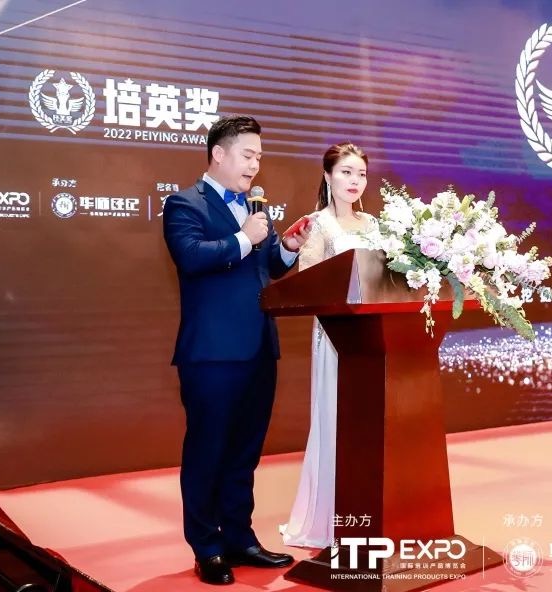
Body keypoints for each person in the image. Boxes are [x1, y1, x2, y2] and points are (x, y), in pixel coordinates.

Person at [162, 115, 311, 585]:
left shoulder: (253, 208)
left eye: (259, 157)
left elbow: (267, 268)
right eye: (248, 155)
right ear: (219, 153)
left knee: (245, 453)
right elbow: (192, 257)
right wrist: (246, 236)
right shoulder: (184, 204)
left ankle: (240, 539)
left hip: (259, 349)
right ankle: (206, 547)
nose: (254, 165)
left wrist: (288, 247)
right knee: (207, 451)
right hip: (211, 354)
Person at [280, 142, 376, 548]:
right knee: (337, 420)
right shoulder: (317, 224)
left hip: (373, 338)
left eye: (361, 174)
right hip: (335, 337)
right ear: (327, 176)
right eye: (346, 172)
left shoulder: (374, 224)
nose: (355, 181)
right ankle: (330, 519)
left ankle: (370, 512)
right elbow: (311, 284)